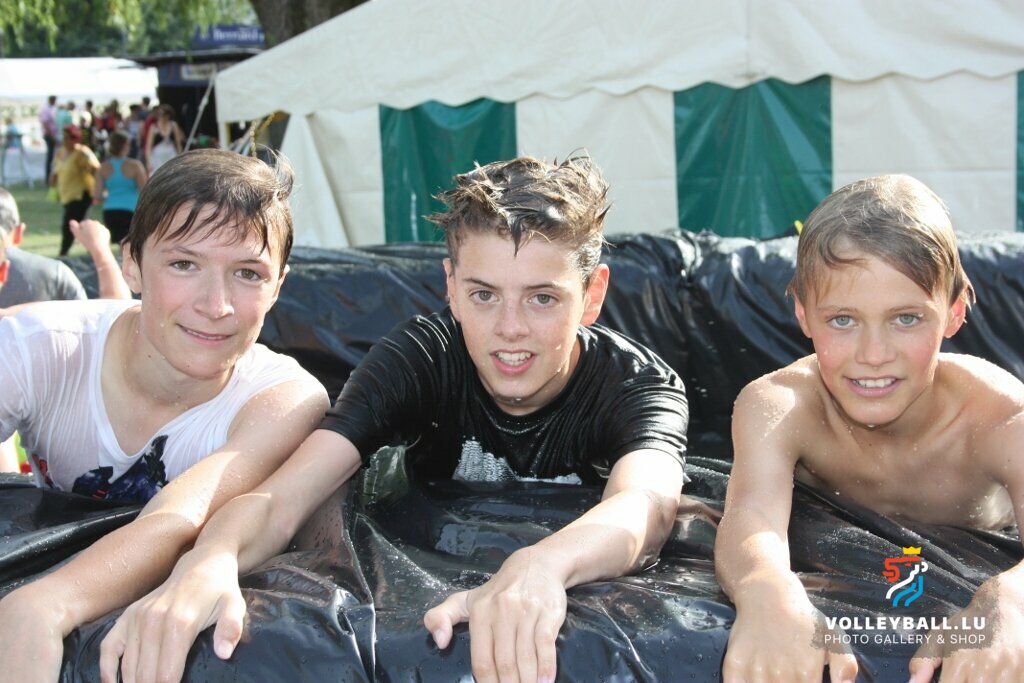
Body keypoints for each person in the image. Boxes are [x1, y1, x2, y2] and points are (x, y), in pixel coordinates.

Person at [99, 154, 689, 683]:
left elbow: (647, 505)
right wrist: (212, 558)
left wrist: (541, 565)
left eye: (542, 298)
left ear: (592, 295)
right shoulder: (422, 358)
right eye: (484, 295)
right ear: (451, 288)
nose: (510, 329)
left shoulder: (637, 383)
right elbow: (285, 496)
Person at [0, 149, 330, 682]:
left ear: (278, 286)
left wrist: (45, 604)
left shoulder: (284, 398)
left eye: (248, 273)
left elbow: (180, 515)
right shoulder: (36, 348)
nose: (216, 305)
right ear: (131, 264)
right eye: (184, 264)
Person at [715, 174, 1024, 683]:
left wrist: (1009, 598)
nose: (874, 354)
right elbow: (751, 516)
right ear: (803, 314)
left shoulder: (998, 416)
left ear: (953, 313)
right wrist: (767, 590)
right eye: (843, 320)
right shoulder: (781, 405)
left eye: (906, 319)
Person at [51, 124, 100, 256]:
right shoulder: (61, 152)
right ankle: (93, 251)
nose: (65, 140)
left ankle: (63, 253)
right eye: (64, 137)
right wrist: (53, 181)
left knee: (70, 225)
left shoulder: (82, 153)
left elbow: (96, 169)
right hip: (67, 195)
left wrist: (98, 188)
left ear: (75, 139)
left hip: (81, 195)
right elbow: (56, 169)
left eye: (68, 138)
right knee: (82, 225)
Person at [94, 130, 147, 244]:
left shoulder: (103, 168)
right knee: (130, 245)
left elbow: (97, 195)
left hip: (110, 210)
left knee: (120, 244)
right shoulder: (135, 166)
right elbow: (145, 191)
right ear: (125, 146)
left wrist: (111, 196)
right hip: (130, 209)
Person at [145, 104, 184, 174]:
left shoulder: (173, 125)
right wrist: (148, 162)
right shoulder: (154, 127)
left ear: (168, 115)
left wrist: (180, 157)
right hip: (157, 155)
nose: (160, 117)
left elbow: (178, 143)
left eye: (162, 115)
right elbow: (148, 146)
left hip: (170, 153)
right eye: (159, 114)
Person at [39, 95, 58, 181]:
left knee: (53, 156)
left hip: (52, 135)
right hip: (49, 135)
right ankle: (48, 177)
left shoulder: (52, 108)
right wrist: (51, 136)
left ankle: (51, 176)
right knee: (50, 157)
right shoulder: (45, 109)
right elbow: (45, 123)